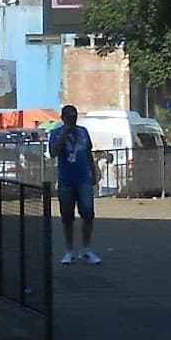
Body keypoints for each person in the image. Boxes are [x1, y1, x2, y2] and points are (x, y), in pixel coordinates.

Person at [49, 104, 100, 265]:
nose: (72, 120)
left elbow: (88, 153)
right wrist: (65, 134)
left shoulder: (83, 132)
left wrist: (93, 172)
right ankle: (69, 250)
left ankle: (86, 248)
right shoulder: (56, 133)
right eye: (69, 118)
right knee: (67, 216)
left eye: (74, 117)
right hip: (66, 180)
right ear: (63, 118)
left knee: (88, 213)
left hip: (83, 178)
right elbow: (53, 153)